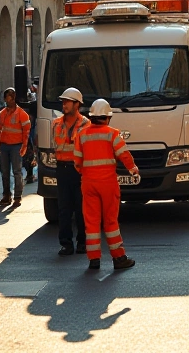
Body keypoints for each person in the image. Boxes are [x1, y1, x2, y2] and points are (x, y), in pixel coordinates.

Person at [74, 99, 140, 271]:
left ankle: (94, 260)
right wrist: (133, 169)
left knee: (91, 222)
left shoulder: (82, 134)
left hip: (88, 183)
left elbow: (77, 161)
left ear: (91, 116)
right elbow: (124, 154)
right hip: (108, 183)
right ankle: (119, 258)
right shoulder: (112, 134)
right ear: (107, 117)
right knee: (110, 222)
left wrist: (86, 174)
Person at [52, 87, 90, 256]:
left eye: (67, 102)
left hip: (79, 170)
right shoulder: (56, 123)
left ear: (77, 104)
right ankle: (66, 243)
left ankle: (82, 242)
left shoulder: (86, 124)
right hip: (62, 169)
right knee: (64, 208)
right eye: (63, 101)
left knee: (81, 208)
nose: (64, 104)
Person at [0, 87, 31, 208]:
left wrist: (24, 146)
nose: (8, 101)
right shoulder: (1, 114)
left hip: (16, 146)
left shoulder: (22, 114)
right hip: (4, 146)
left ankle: (17, 196)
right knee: (4, 172)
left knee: (17, 171)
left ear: (14, 98)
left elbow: (26, 132)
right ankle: (6, 195)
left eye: (10, 98)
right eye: (7, 98)